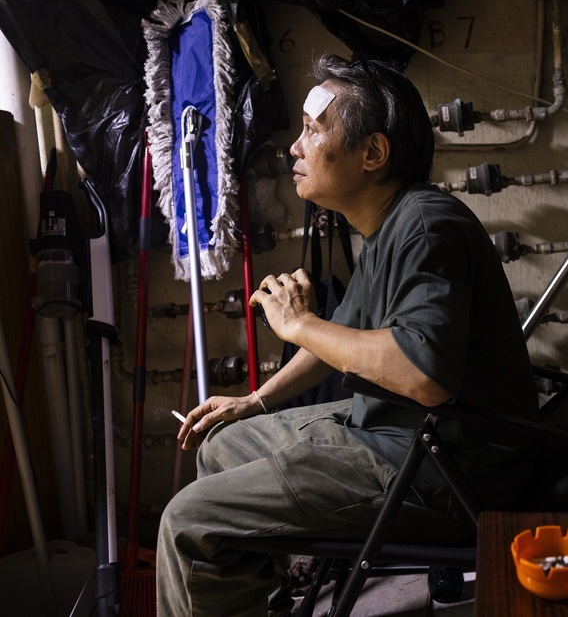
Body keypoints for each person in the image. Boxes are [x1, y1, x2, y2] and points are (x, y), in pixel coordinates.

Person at [156, 54, 538, 616]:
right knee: (222, 444)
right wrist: (253, 401)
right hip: (398, 434)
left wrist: (299, 323)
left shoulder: (426, 228)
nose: (294, 148)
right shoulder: (388, 228)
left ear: (372, 154)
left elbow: (424, 376)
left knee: (188, 522)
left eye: (313, 131)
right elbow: (338, 339)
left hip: (447, 469)